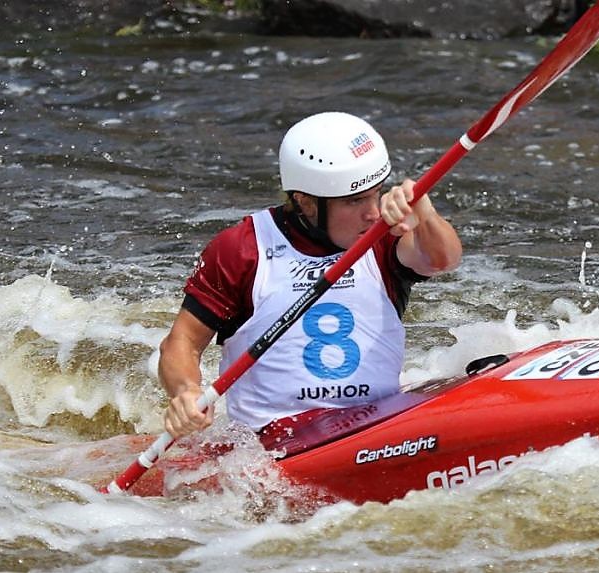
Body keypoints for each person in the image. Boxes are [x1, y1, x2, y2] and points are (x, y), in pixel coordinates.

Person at [157, 111, 462, 447]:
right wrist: (186, 392)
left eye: (376, 194)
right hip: (274, 442)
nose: (373, 212)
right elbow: (181, 342)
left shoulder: (383, 235)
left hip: (378, 422)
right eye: (355, 200)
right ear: (305, 202)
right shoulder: (243, 249)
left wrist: (424, 214)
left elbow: (442, 258)